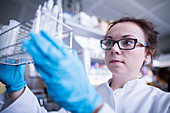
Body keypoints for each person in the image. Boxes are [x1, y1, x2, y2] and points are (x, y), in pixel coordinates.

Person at [0, 17, 170, 113]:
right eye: (109, 42)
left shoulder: (163, 103)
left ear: (148, 54)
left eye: (127, 42)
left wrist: (93, 107)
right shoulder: (88, 93)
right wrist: (16, 87)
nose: (114, 49)